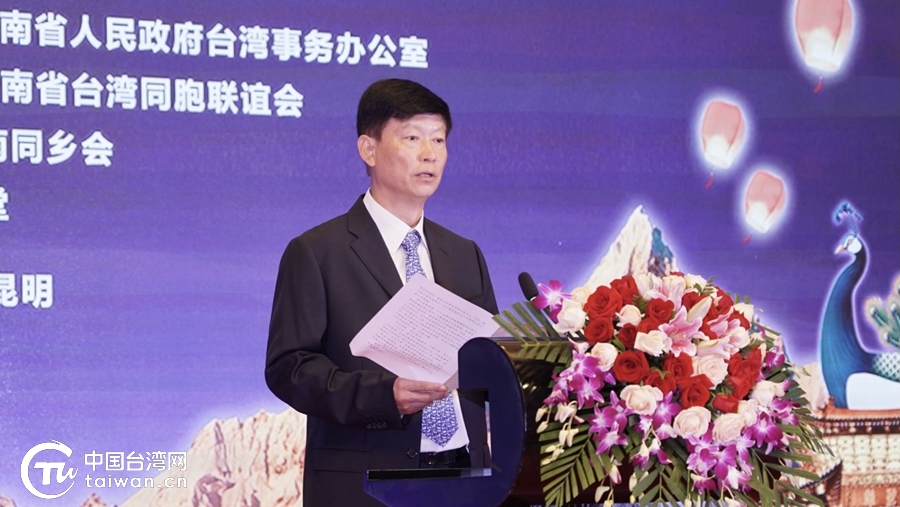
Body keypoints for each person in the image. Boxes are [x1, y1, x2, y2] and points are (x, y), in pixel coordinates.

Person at [265, 78, 499, 506]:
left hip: (463, 480)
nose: (430, 153)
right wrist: (382, 396)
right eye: (412, 138)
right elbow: (289, 368)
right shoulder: (317, 252)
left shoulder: (466, 254)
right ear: (368, 149)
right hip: (363, 485)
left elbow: (488, 363)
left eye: (439, 140)